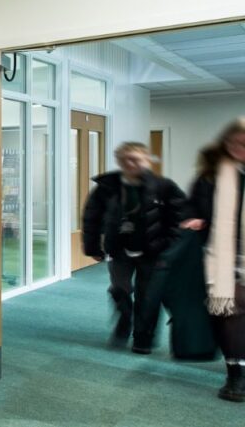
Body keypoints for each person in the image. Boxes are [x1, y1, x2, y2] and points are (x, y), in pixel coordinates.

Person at [82, 141, 186, 354]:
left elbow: (181, 218)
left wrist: (170, 247)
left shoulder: (164, 186)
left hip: (153, 250)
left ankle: (142, 339)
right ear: (119, 161)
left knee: (147, 296)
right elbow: (91, 218)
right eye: (124, 159)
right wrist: (92, 247)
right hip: (119, 249)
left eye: (136, 159)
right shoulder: (106, 187)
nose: (130, 163)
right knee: (120, 289)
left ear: (146, 160)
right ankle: (124, 319)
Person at [182, 117, 245, 402]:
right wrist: (193, 219)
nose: (239, 149)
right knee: (227, 314)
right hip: (222, 258)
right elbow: (191, 206)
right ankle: (236, 374)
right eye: (235, 143)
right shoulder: (211, 175)